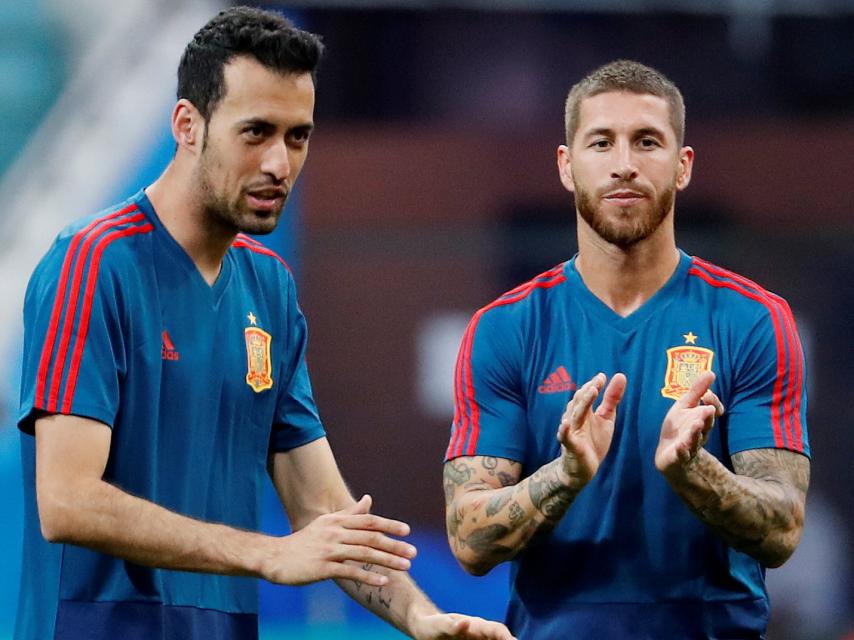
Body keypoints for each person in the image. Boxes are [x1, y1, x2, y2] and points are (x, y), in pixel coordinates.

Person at [16, 7, 514, 640]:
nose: (279, 162)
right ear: (187, 126)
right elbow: (66, 501)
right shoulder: (92, 264)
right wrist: (266, 553)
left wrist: (422, 617)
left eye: (297, 136)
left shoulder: (269, 286)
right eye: (255, 132)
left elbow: (322, 509)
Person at [443, 59, 810, 639]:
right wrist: (565, 475)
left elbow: (783, 529)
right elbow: (468, 540)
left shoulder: (753, 320)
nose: (623, 164)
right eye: (600, 142)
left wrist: (693, 472)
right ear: (566, 166)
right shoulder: (505, 329)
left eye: (646, 142)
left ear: (683, 166)